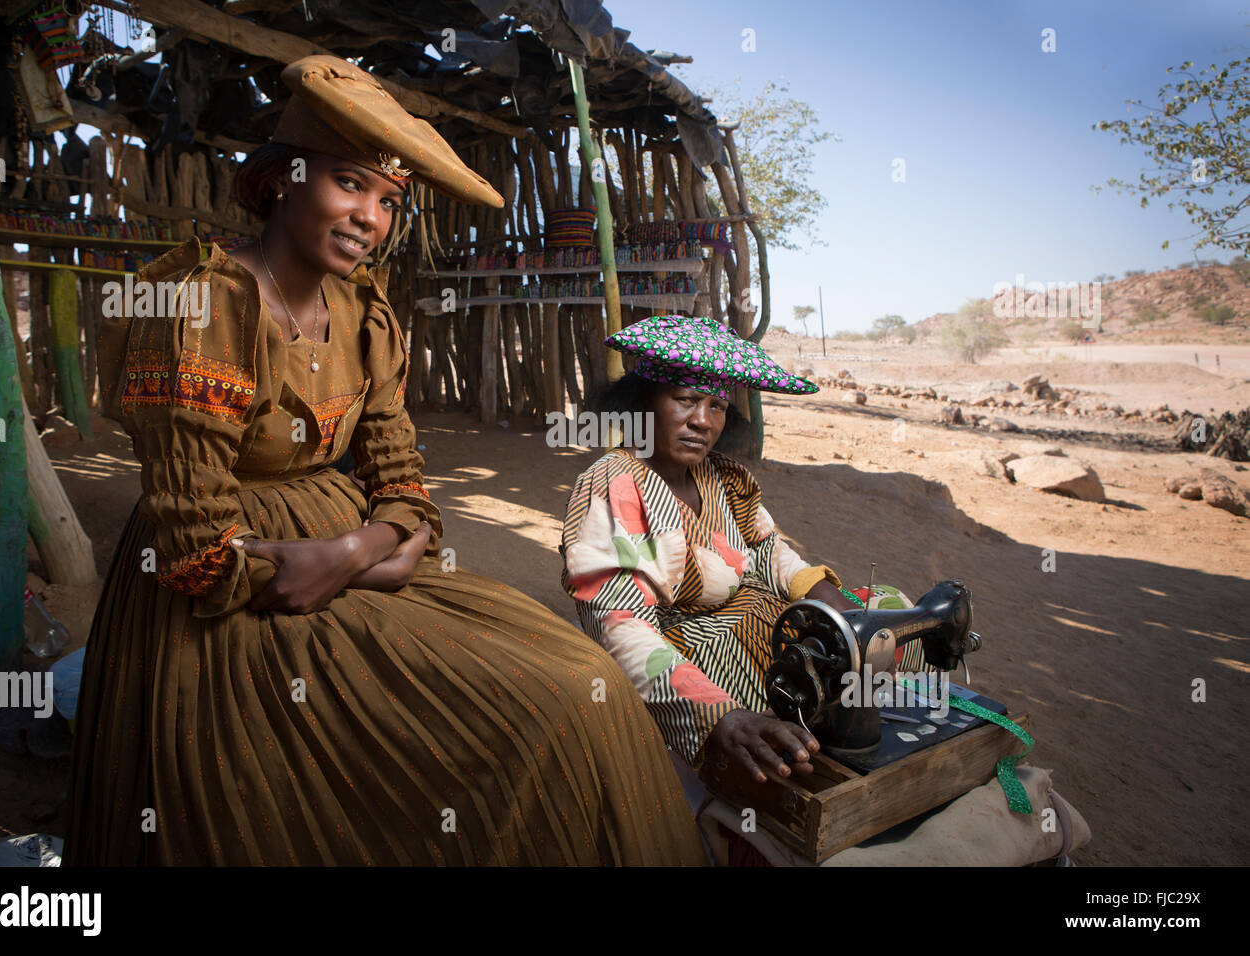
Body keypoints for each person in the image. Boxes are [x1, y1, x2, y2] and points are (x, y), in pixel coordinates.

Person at [64, 56, 706, 866]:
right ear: (280, 181)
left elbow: (403, 486)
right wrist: (354, 558)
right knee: (533, 716)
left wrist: (357, 550)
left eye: (389, 200)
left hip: (340, 558)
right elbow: (200, 555)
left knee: (587, 681)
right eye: (348, 183)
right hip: (234, 603)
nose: (370, 216)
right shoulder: (205, 308)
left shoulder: (363, 310)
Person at [559, 315, 921, 785]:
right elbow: (619, 623)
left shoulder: (721, 477)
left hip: (762, 621)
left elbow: (769, 551)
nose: (702, 421)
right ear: (642, 401)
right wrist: (721, 717)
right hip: (689, 652)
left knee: (889, 611)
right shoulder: (616, 484)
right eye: (685, 400)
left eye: (717, 405)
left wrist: (834, 604)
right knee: (789, 724)